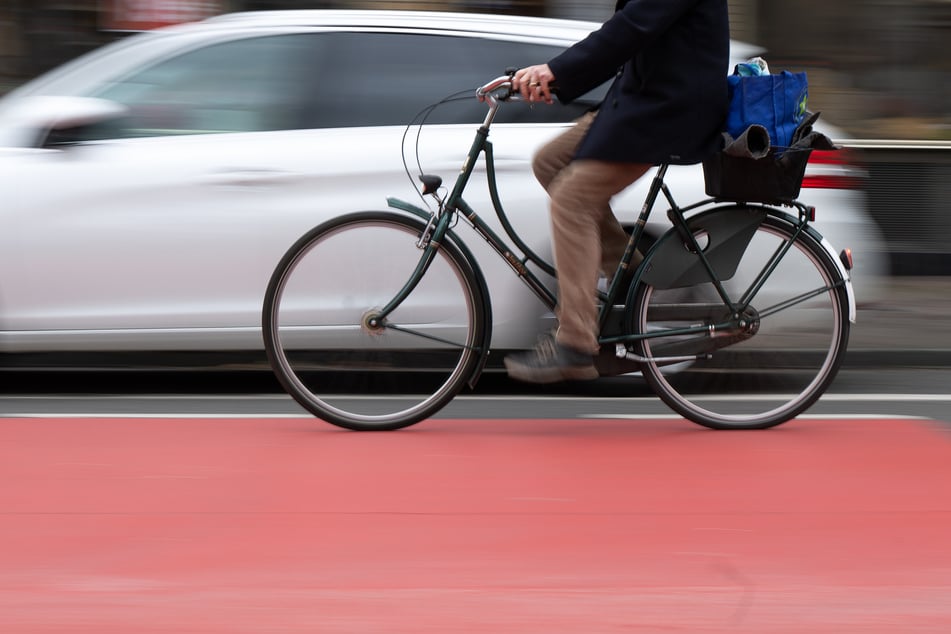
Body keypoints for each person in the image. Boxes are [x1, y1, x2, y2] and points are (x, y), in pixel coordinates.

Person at [502, 0, 730, 384]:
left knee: (572, 199)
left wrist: (555, 69)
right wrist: (552, 79)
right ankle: (629, 272)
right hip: (638, 101)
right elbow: (627, 36)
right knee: (549, 162)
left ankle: (575, 343)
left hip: (668, 110)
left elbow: (631, 28)